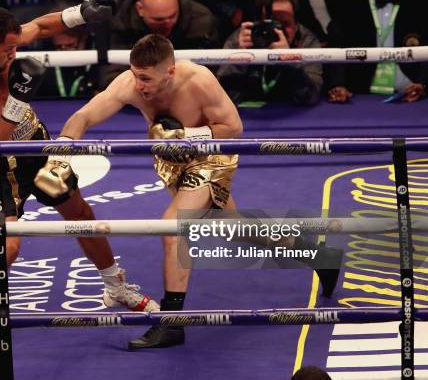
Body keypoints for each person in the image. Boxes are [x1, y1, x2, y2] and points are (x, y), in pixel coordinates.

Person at [36, 34, 342, 350]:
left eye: (146, 77)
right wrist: (59, 159)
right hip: (172, 161)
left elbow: (234, 127)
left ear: (169, 71)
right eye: (135, 74)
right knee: (233, 227)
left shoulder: (198, 80)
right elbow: (83, 116)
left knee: (174, 229)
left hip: (211, 156)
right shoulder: (129, 84)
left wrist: (186, 134)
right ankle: (317, 254)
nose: (139, 84)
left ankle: (172, 324)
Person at [0, 0, 159, 365]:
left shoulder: (3, 46)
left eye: (14, 47)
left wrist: (81, 14)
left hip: (36, 144)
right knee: (7, 245)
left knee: (80, 213)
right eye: (8, 50)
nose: (14, 55)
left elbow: (41, 26)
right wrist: (18, 97)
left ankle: (115, 285)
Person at [327, 0, 428, 103]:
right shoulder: (348, 0)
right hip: (359, 97)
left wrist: (424, 85)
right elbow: (336, 43)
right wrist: (337, 85)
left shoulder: (422, 1)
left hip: (413, 97)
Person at [99, 0, 220, 88]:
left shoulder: (200, 20)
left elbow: (210, 77)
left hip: (184, 95)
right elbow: (111, 76)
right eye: (158, 20)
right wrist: (150, 84)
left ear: (177, 2)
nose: (168, 23)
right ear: (140, 9)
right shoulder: (122, 21)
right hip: (137, 97)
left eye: (172, 16)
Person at [217, 0, 323, 106]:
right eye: (271, 23)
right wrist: (240, 59)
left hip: (293, 116)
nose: (277, 31)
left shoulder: (306, 41)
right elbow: (222, 99)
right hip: (247, 117)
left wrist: (290, 60)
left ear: (296, 25)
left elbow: (310, 97)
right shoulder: (243, 38)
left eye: (284, 24)